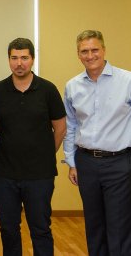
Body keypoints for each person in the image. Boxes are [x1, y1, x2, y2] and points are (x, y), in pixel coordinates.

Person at [0, 38, 66, 256]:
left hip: (39, 175)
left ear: (32, 59)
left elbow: (60, 128)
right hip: (5, 174)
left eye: (24, 57)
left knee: (40, 229)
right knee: (8, 229)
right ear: (9, 60)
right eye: (14, 58)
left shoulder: (48, 90)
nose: (19, 63)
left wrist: (45, 154)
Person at [63, 30, 131, 256]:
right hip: (86, 163)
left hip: (119, 163)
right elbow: (70, 127)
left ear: (104, 50)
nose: (90, 55)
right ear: (78, 54)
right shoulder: (72, 86)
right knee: (94, 225)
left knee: (119, 225)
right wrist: (72, 163)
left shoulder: (127, 80)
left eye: (94, 50)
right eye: (84, 51)